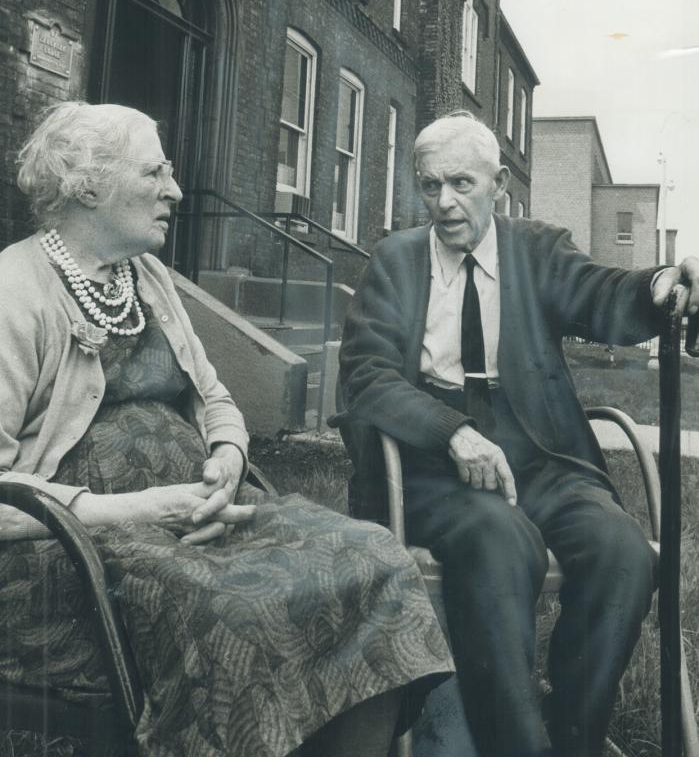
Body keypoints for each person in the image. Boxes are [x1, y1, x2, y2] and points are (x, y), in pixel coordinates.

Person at [0, 101, 453, 757]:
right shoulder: (15, 290)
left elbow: (214, 395)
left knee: (374, 559)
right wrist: (144, 506)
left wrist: (229, 454)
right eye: (153, 171)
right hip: (67, 551)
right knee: (241, 613)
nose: (175, 190)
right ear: (88, 184)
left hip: (197, 518)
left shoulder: (145, 276)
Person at [336, 111, 699, 757]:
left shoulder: (534, 249)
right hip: (432, 465)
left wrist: (659, 284)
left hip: (539, 454)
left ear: (497, 182)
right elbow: (365, 376)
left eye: (460, 184)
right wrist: (450, 432)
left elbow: (600, 295)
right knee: (499, 541)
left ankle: (573, 736)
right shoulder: (393, 262)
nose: (444, 203)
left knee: (621, 552)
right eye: (428, 187)